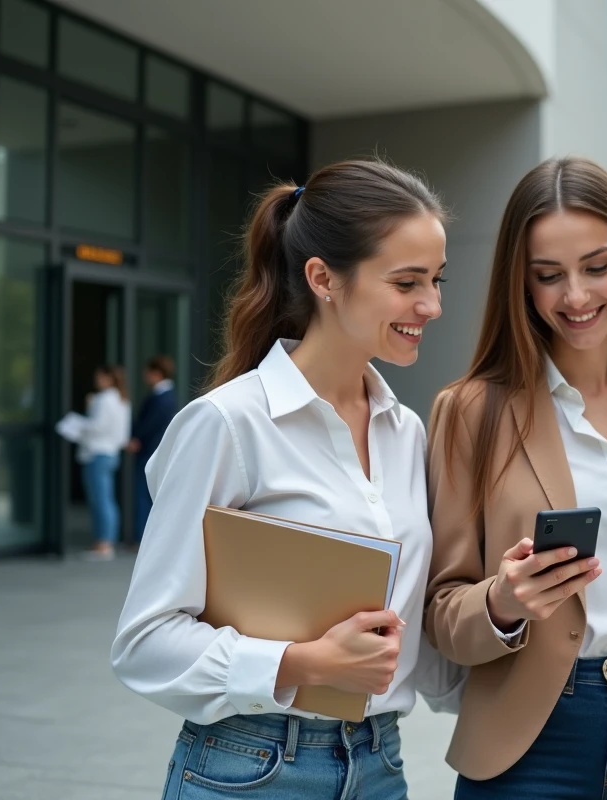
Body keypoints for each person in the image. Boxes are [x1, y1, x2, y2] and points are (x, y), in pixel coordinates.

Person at [112, 160, 447, 800]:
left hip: (381, 764)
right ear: (323, 278)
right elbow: (144, 642)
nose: (430, 304)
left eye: (435, 279)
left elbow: (413, 630)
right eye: (407, 282)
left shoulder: (405, 432)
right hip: (252, 768)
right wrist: (303, 663)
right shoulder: (227, 424)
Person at [425, 156, 607, 799]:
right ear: (522, 284)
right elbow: (442, 612)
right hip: (529, 742)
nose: (577, 297)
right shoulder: (471, 413)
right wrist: (503, 603)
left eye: (596, 267)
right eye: (548, 276)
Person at [80, 364, 132, 561]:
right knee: (106, 498)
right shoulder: (122, 399)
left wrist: (88, 409)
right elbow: (122, 434)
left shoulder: (102, 400)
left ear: (107, 378)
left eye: (99, 377)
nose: (96, 380)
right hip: (111, 452)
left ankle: (104, 543)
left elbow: (96, 426)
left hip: (97, 452)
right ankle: (105, 541)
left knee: (100, 499)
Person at [127, 355, 178, 543]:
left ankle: (144, 538)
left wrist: (137, 439)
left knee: (144, 495)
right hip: (151, 451)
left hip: (149, 452)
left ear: (156, 373)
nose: (145, 376)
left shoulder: (163, 398)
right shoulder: (164, 396)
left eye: (148, 373)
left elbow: (151, 425)